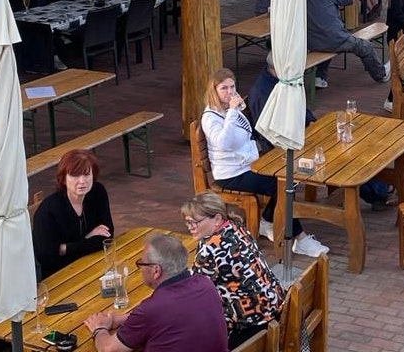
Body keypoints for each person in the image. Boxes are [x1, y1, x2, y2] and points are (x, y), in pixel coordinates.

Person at [201, 68, 329, 256]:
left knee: (291, 175)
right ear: (214, 91)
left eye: (232, 87)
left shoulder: (228, 110)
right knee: (282, 186)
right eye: (224, 88)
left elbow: (247, 135)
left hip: (249, 164)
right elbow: (224, 143)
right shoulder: (211, 118)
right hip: (231, 174)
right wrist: (233, 113)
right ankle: (300, 238)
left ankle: (267, 220)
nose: (230, 92)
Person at [246, 56, 396, 209]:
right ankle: (378, 193)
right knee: (338, 154)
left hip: (302, 134)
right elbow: (267, 134)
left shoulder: (284, 82)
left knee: (346, 143)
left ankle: (378, 190)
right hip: (284, 146)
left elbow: (300, 107)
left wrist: (312, 122)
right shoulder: (262, 93)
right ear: (280, 67)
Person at [83, 233, 227, 352]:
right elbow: (173, 314)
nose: (140, 269)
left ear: (156, 270)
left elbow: (109, 348)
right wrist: (121, 319)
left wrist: (99, 329)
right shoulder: (205, 284)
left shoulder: (152, 308)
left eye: (141, 263)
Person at [182, 193, 285, 349]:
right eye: (187, 222)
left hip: (249, 327)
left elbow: (192, 292)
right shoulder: (236, 226)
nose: (190, 227)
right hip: (273, 309)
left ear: (217, 219)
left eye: (194, 222)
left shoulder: (210, 251)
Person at [32, 149, 114, 278]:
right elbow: (48, 257)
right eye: (75, 175)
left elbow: (107, 237)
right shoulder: (48, 211)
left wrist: (65, 248)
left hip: (91, 264)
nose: (82, 181)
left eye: (87, 174)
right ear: (64, 179)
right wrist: (89, 237)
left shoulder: (98, 192)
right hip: (58, 276)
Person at [308, 0, 389, 89]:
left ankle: (320, 77)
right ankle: (381, 74)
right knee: (365, 46)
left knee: (325, 35)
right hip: (334, 39)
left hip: (311, 42)